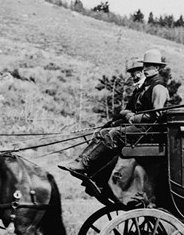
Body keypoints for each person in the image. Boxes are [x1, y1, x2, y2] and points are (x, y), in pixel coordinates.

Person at [59, 49, 170, 179]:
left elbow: (156, 116)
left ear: (157, 68)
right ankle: (82, 163)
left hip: (148, 131)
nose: (145, 69)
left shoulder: (158, 88)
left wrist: (133, 118)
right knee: (104, 132)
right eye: (144, 65)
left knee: (114, 133)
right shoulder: (145, 87)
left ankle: (86, 164)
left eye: (148, 66)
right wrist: (129, 115)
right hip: (140, 127)